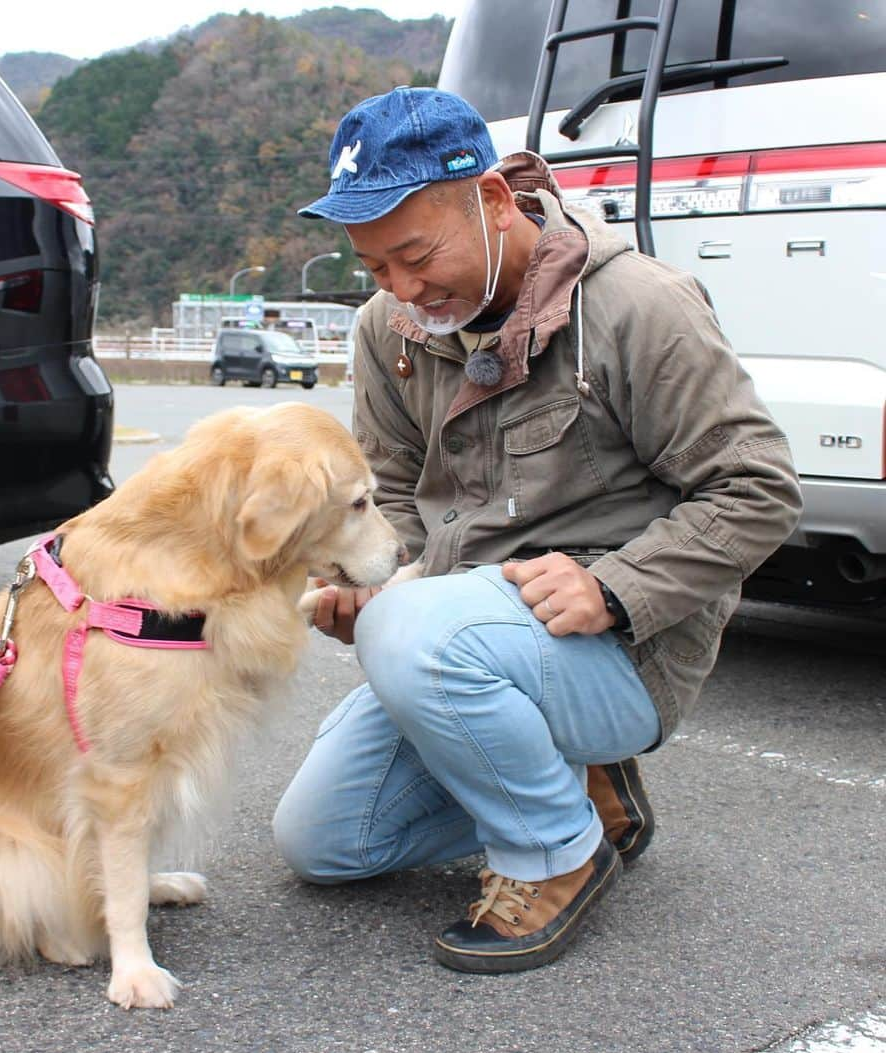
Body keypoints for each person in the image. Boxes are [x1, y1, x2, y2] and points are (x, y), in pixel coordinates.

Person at [272, 87, 802, 974]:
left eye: (414, 254)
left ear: (490, 200)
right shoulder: (388, 330)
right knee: (327, 844)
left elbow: (756, 489)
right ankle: (580, 781)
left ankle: (557, 851)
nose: (402, 290)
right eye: (374, 268)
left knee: (414, 633)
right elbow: (395, 489)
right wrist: (370, 579)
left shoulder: (637, 305)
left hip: (623, 650)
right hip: (459, 632)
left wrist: (614, 588)